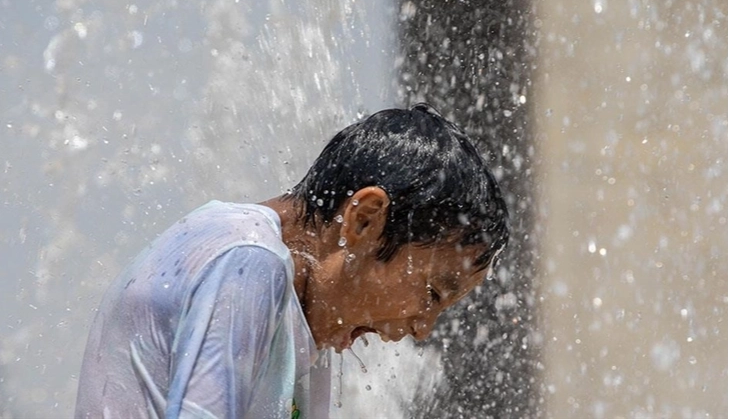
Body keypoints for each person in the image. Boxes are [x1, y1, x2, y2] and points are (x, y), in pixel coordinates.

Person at [75, 103, 509, 419]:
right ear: (364, 219)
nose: (419, 328)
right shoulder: (247, 262)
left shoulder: (296, 308)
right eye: (431, 293)